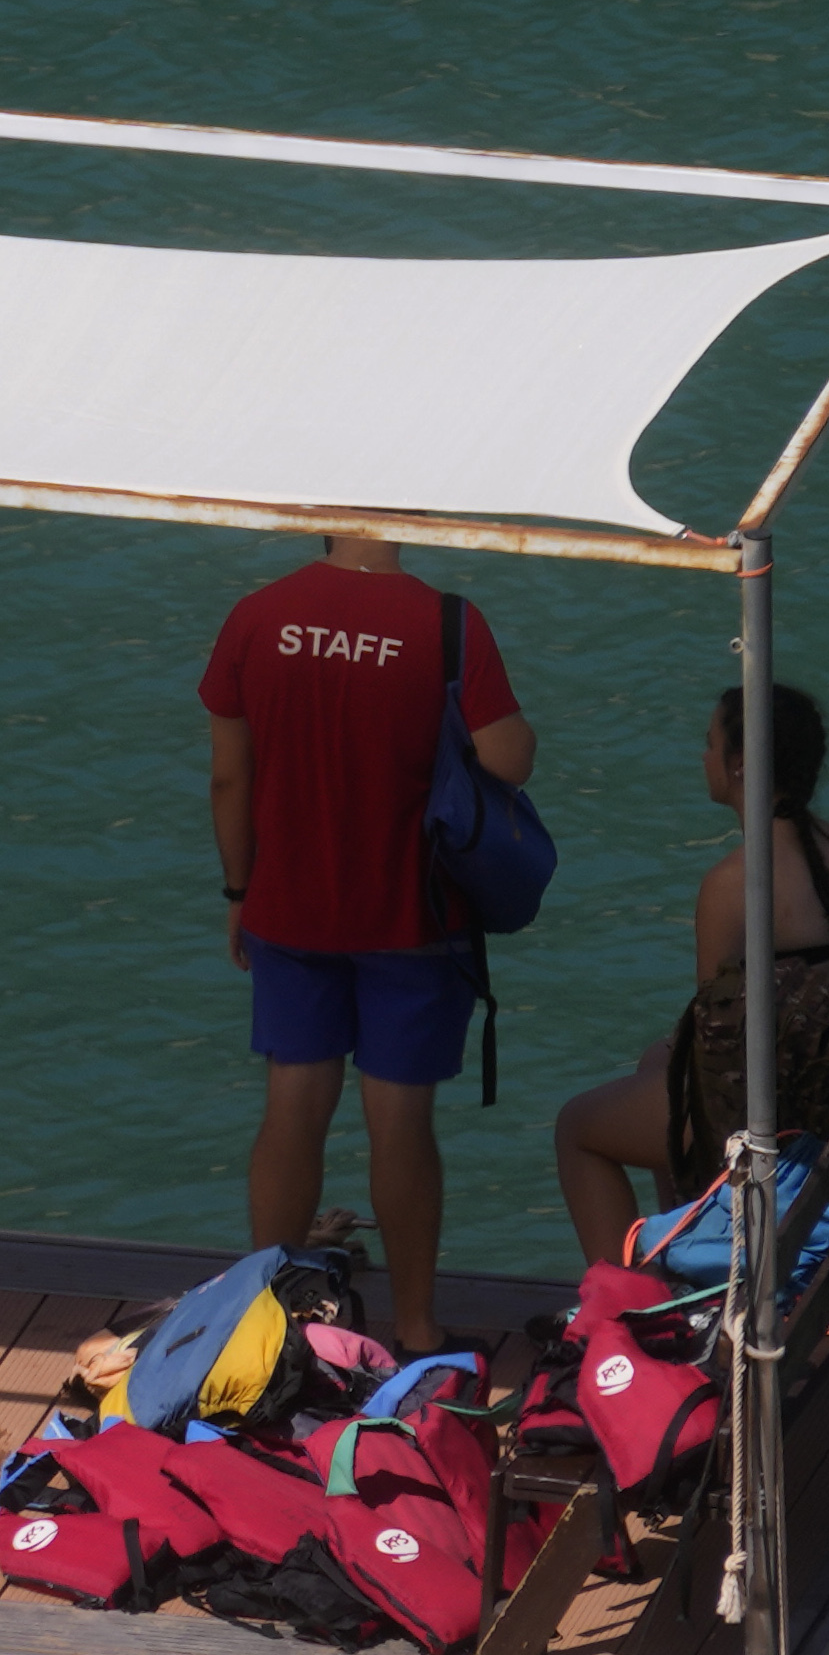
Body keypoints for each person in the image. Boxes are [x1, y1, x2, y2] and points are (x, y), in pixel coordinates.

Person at [201, 530, 537, 1353]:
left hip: (290, 905)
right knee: (400, 1122)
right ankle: (416, 1322)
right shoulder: (446, 623)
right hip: (408, 914)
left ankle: (263, 1313)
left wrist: (240, 891)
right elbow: (509, 757)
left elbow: (228, 777)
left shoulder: (257, 617)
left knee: (292, 1106)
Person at [555, 683, 829, 1267]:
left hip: (766, 1129)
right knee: (654, 1061)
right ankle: (690, 1246)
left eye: (708, 744)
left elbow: (714, 1044)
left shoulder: (734, 886)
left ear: (739, 765)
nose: (701, 758)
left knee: (576, 1125)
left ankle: (624, 1308)